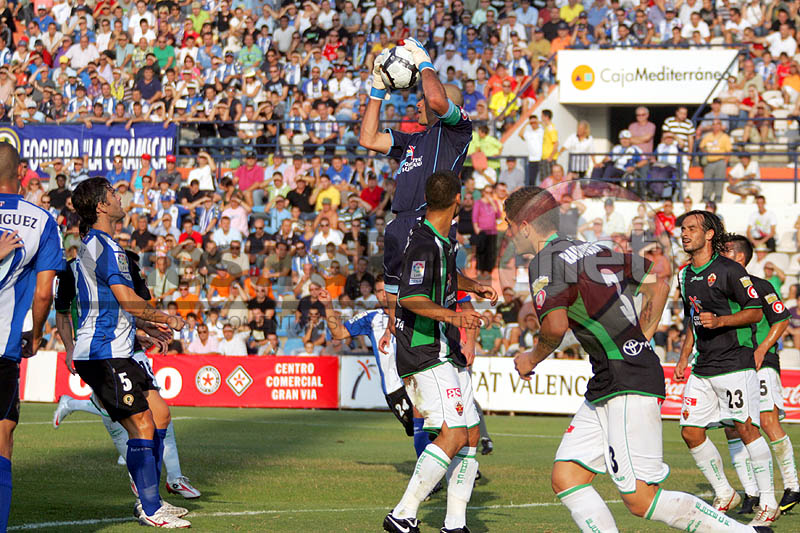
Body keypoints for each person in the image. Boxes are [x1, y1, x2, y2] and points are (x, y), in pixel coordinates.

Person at [506, 187, 770, 533]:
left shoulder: (545, 261)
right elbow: (658, 279)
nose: (508, 233)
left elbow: (554, 327)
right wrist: (642, 336)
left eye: (509, 225)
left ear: (525, 226)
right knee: (566, 476)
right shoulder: (592, 249)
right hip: (610, 379)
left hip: (626, 380)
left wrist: (531, 358)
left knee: (641, 499)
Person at [70, 177, 189, 527]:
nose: (120, 197)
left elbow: (112, 304)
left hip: (118, 349)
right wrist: (166, 317)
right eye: (113, 193)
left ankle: (152, 500)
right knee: (142, 424)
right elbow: (126, 300)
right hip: (102, 352)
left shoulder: (102, 245)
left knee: (157, 416)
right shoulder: (102, 246)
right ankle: (150, 507)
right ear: (101, 206)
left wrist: (145, 327)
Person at [382, 171, 497, 533]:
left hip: (445, 347)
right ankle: (403, 514)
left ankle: (455, 524)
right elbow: (410, 296)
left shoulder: (442, 240)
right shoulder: (422, 243)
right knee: (454, 434)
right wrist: (456, 316)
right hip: (424, 349)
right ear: (457, 199)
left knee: (471, 434)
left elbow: (444, 277)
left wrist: (473, 286)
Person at [358, 37, 472, 375]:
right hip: (399, 224)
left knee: (428, 301)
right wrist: (377, 90)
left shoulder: (457, 131)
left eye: (421, 99)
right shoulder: (413, 140)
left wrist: (424, 62)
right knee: (398, 310)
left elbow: (436, 98)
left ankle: (448, 365)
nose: (418, 104)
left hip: (427, 223)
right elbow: (368, 138)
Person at [52, 248, 201, 500]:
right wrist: (69, 348)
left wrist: (147, 330)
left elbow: (129, 309)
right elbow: (63, 311)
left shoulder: (125, 268)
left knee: (159, 414)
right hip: (97, 351)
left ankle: (171, 478)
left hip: (130, 349)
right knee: (115, 413)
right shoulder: (73, 270)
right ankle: (143, 481)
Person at [675, 210, 778, 527]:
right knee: (690, 431)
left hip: (735, 362)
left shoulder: (730, 270)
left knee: (746, 429)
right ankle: (725, 492)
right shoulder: (684, 275)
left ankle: (768, 502)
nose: (684, 233)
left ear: (709, 234)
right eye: (683, 228)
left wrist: (721, 321)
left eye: (692, 228)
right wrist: (684, 355)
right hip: (703, 366)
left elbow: (755, 312)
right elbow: (692, 318)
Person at [0, 143, 64, 532]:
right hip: (4, 347)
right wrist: (37, 335)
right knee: (3, 437)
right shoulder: (40, 220)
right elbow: (44, 294)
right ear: (21, 173)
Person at [721, 234, 799, 515]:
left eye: (726, 251)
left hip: (761, 361)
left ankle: (793, 486)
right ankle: (752, 492)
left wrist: (762, 349)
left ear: (740, 257)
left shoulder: (760, 285)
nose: (720, 255)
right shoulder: (718, 288)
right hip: (732, 364)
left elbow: (782, 318)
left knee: (767, 420)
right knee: (734, 426)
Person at [321, 275, 418, 440]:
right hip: (395, 388)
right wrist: (328, 306)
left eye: (387, 290)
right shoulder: (371, 317)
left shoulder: (412, 312)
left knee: (430, 427)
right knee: (415, 431)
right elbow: (338, 333)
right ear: (375, 294)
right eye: (379, 291)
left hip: (418, 379)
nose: (384, 295)